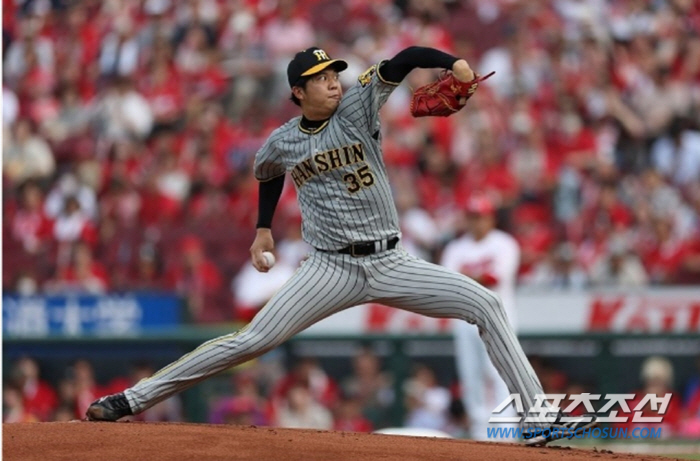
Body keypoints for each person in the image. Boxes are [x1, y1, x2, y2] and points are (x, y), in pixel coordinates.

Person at [86, 45, 596, 446]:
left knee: (485, 303)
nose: (334, 82)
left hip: (391, 260)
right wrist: (263, 229)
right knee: (250, 341)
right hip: (329, 269)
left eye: (334, 74)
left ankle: (537, 418)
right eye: (322, 78)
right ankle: (132, 398)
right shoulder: (285, 138)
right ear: (297, 92)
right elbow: (267, 172)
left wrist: (452, 63)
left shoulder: (357, 104)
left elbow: (406, 59)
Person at [439, 193, 521, 441]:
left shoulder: (504, 244)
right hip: (464, 322)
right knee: (470, 376)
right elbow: (446, 283)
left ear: (491, 219)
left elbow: (495, 278)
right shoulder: (455, 247)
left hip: (498, 321)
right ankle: (479, 431)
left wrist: (464, 276)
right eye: (473, 217)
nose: (477, 223)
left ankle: (505, 431)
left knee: (500, 374)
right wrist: (475, 276)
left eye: (481, 217)